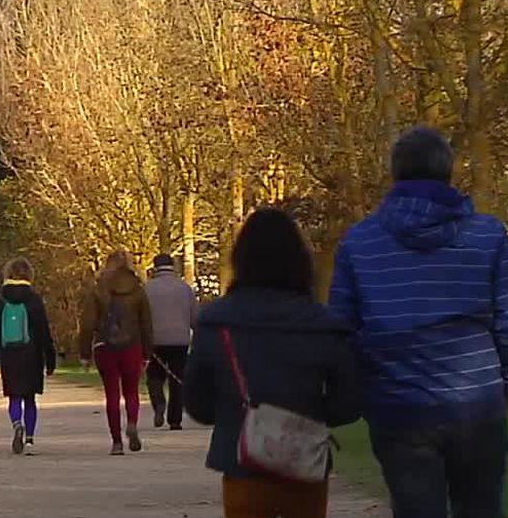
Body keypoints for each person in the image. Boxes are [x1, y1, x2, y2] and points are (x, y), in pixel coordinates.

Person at [328, 126, 508, 518]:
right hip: (477, 402)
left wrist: (370, 385)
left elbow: (341, 330)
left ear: (396, 173)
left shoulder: (360, 242)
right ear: (449, 172)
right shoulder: (487, 236)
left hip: (399, 407)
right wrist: (505, 382)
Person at [185, 208, 361, 518]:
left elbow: (198, 404)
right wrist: (312, 415)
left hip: (241, 459)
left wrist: (233, 415)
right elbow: (347, 404)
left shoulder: (216, 322)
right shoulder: (325, 325)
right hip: (304, 459)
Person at [79, 250, 154, 455]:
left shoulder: (98, 289)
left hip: (105, 346)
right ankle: (132, 422)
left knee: (112, 394)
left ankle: (117, 441)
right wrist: (147, 352)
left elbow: (87, 324)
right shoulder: (137, 289)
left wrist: (84, 353)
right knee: (131, 391)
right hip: (132, 345)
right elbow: (146, 324)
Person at [0, 257, 57, 456]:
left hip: (9, 353)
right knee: (30, 398)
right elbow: (43, 331)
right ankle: (30, 439)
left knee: (14, 396)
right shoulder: (34, 299)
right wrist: (50, 358)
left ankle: (17, 423)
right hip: (31, 354)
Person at [144, 253, 198, 431]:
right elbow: (195, 317)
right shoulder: (184, 288)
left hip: (155, 340)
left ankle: (159, 403)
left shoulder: (147, 288)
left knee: (154, 375)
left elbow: (141, 316)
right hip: (180, 340)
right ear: (173, 266)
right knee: (178, 379)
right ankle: (175, 419)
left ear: (155, 267)